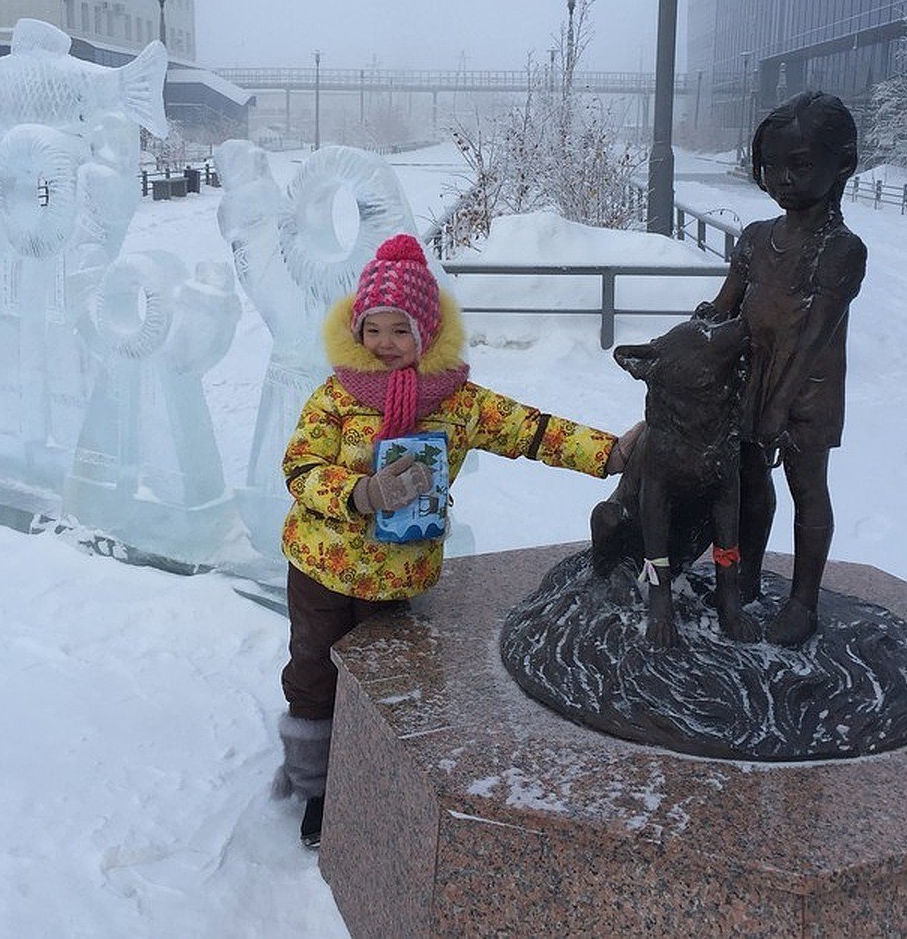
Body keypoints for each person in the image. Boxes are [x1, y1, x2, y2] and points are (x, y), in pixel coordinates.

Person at [271, 233, 641, 847]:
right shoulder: (335, 397)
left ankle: (367, 770)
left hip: (394, 578)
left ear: (427, 333)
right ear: (356, 332)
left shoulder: (460, 403)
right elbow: (300, 469)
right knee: (313, 671)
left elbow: (534, 430)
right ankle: (315, 786)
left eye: (400, 331)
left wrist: (611, 454)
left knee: (379, 681)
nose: (385, 344)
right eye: (374, 330)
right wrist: (361, 493)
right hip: (321, 567)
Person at [697, 91, 866, 647]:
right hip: (749, 379)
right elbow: (725, 307)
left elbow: (815, 340)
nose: (782, 179)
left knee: (807, 488)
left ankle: (803, 601)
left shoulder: (840, 250)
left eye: (800, 165)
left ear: (841, 165)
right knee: (749, 480)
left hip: (806, 388)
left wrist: (776, 408)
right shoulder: (754, 239)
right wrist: (698, 331)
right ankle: (745, 573)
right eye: (771, 167)